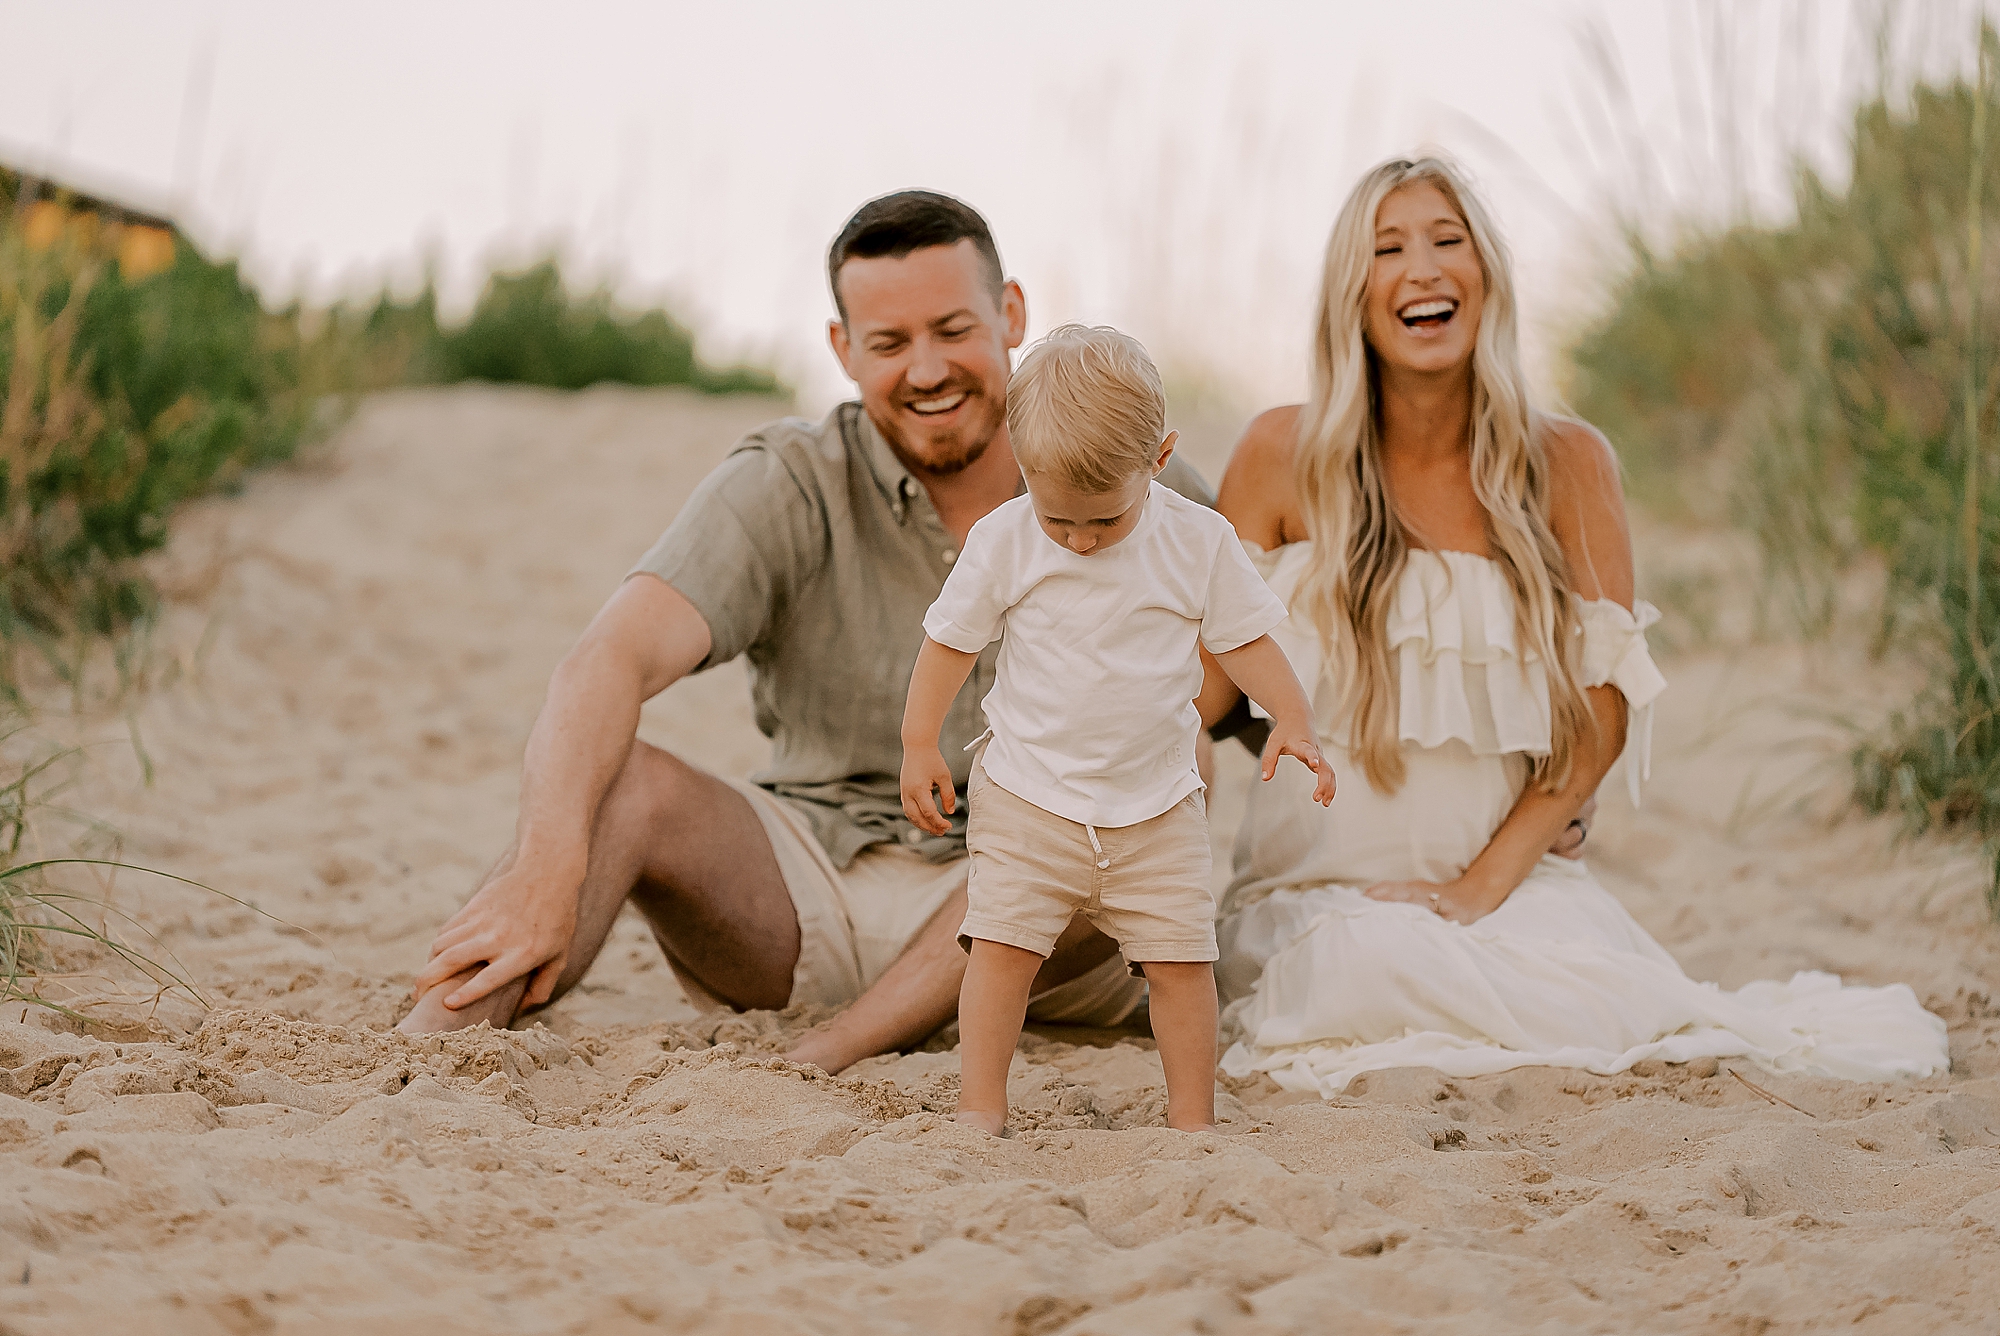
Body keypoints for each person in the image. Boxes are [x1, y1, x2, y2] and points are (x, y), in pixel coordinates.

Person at [397, 192, 1217, 1073]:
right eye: (890, 344)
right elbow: (608, 657)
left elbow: (1239, 695)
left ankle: (837, 1048)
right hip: (812, 892)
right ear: (842, 350)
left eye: (952, 329)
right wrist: (546, 871)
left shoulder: (1131, 474)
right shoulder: (790, 479)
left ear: (1010, 314)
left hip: (1053, 939)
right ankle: (414, 1057)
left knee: (1142, 778)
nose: (928, 369)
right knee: (615, 786)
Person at [1200, 155, 1948, 1097]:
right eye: (1388, 248)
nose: (1423, 269)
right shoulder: (1280, 454)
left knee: (1607, 997)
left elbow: (1603, 710)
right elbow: (1205, 690)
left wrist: (1480, 889)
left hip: (1509, 887)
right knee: (1350, 975)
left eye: (1448, 241)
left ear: (1487, 276)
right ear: (1353, 291)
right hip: (1314, 898)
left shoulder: (1567, 462)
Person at [899, 324, 1333, 1133]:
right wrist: (919, 741)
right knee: (1000, 954)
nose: (1080, 540)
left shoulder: (1196, 541)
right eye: (1060, 518)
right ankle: (980, 1108)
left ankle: (1192, 1120)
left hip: (1158, 803)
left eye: (1103, 519)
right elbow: (950, 641)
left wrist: (1293, 718)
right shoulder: (1006, 539)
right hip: (1029, 795)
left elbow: (1244, 638)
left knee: (1181, 966)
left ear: (1160, 461)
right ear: (1022, 464)